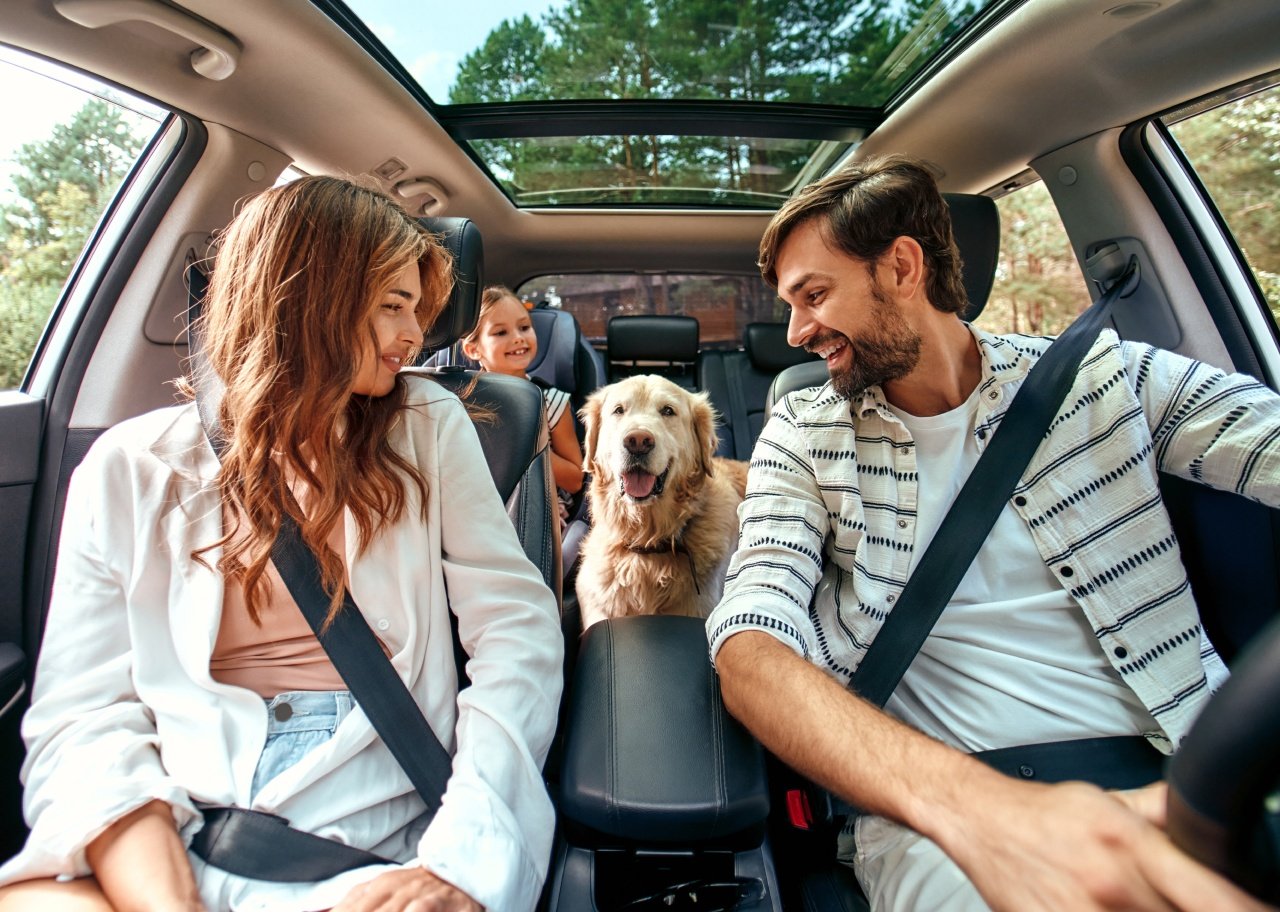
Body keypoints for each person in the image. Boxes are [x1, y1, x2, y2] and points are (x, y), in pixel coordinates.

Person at [706, 154, 1278, 912]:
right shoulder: (803, 434)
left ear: (902, 267)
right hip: (945, 814)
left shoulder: (1104, 377)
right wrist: (989, 816)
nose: (797, 330)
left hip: (1194, 774)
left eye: (813, 295)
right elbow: (751, 645)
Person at [0, 177, 563, 912]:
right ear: (305, 296)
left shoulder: (426, 424)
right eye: (392, 306)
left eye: (417, 310)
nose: (412, 337)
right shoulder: (128, 465)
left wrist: (461, 859)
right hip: (177, 819)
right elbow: (84, 716)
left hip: (370, 829)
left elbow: (516, 632)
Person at [460, 286, 585, 526]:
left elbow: (575, 480)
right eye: (501, 332)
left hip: (537, 509)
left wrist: (523, 446)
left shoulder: (552, 403)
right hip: (475, 507)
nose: (518, 337)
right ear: (473, 348)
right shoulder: (462, 403)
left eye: (524, 327)